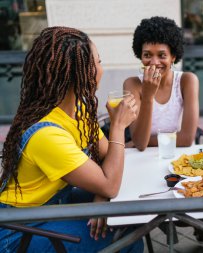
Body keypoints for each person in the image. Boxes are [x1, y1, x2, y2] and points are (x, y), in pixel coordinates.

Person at [0, 26, 143, 252]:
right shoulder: (46, 134)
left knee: (127, 215)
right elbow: (110, 183)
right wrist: (118, 127)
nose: (101, 69)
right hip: (20, 230)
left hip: (55, 207)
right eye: (98, 62)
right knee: (126, 232)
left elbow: (107, 157)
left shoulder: (79, 109)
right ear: (82, 73)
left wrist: (100, 198)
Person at [123, 16, 199, 151]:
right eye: (147, 55)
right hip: (144, 158)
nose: (154, 62)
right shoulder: (132, 84)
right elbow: (140, 144)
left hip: (178, 156)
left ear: (173, 57)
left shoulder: (187, 81)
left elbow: (187, 139)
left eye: (162, 55)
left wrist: (140, 142)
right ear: (140, 56)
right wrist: (147, 96)